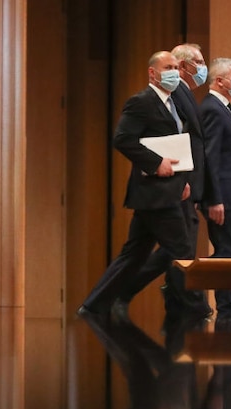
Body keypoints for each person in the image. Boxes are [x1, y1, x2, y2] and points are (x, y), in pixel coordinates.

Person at [78, 51, 193, 322]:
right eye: (168, 67)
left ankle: (94, 305)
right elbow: (123, 139)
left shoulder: (172, 104)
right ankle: (193, 308)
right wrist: (156, 164)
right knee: (182, 250)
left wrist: (181, 179)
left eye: (177, 67)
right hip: (154, 192)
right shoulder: (141, 102)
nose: (174, 72)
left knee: (134, 254)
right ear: (152, 73)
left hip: (165, 190)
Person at [112, 44, 213, 323]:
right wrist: (173, 173)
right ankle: (192, 305)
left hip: (180, 183)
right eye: (199, 62)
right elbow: (177, 140)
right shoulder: (172, 93)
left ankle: (164, 300)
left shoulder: (184, 94)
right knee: (177, 249)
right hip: (167, 185)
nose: (202, 67)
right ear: (183, 66)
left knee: (154, 249)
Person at [199, 57, 231, 330]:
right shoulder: (212, 110)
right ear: (220, 81)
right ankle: (222, 308)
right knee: (227, 252)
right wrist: (214, 198)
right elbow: (211, 157)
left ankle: (227, 308)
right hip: (223, 198)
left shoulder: (224, 108)